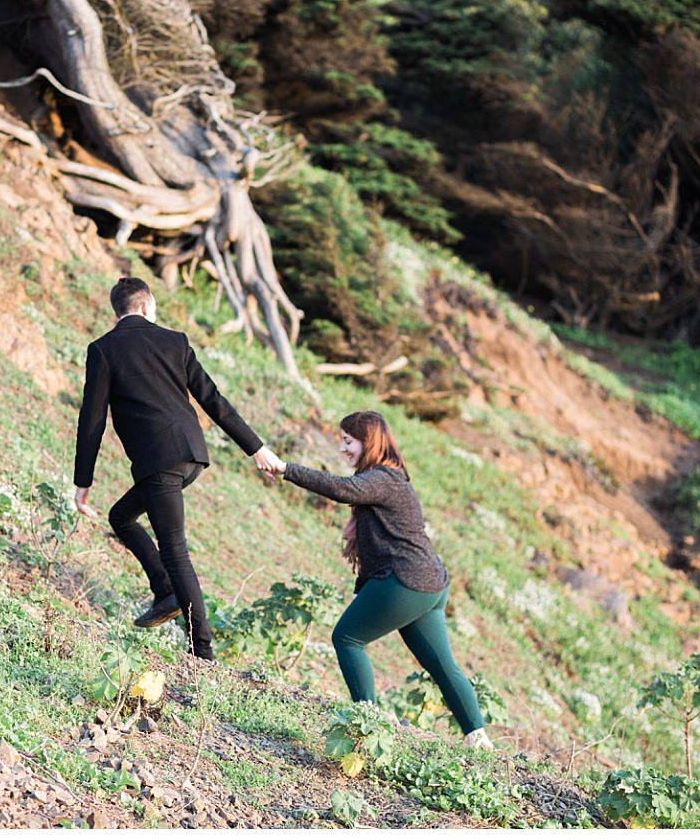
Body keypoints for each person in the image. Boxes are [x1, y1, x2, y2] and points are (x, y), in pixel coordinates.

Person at [73, 277, 283, 660]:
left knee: (174, 550)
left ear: (118, 312)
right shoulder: (175, 341)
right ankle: (164, 590)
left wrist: (82, 480)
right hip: (190, 455)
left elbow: (92, 419)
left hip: (159, 461)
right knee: (121, 517)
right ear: (146, 306)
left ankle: (201, 651)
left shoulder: (103, 350)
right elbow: (214, 400)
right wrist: (257, 449)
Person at [261, 410, 494, 749]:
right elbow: (376, 546)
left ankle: (366, 723)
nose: (343, 449)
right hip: (430, 584)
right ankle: (479, 740)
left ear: (368, 442)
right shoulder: (389, 478)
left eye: (348, 441)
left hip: (406, 581)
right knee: (443, 666)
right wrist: (363, 591)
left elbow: (341, 489)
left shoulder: (383, 478)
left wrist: (286, 469)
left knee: (347, 638)